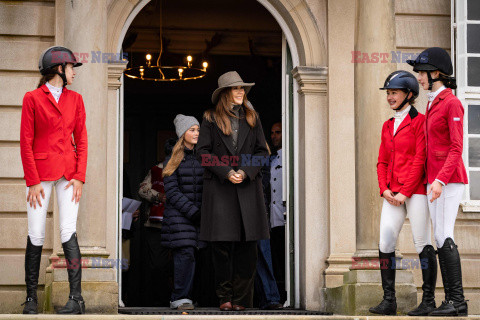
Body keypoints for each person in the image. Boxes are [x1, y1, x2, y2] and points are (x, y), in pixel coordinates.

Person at [20, 46, 87, 314]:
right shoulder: (32, 98)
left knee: (68, 232)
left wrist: (80, 176)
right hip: (40, 175)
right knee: (36, 233)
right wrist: (32, 180)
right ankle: (31, 299)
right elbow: (26, 142)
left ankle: (77, 298)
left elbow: (81, 140)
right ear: (59, 69)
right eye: (71, 67)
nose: (74, 72)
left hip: (69, 175)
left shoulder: (76, 99)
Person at [196, 71, 269, 311]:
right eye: (236, 88)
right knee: (222, 247)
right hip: (220, 188)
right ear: (226, 93)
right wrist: (226, 171)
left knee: (248, 248)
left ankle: (241, 300)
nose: (241, 92)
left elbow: (262, 152)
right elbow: (202, 152)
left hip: (248, 187)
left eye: (243, 89)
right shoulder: (209, 118)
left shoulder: (252, 117)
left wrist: (245, 171)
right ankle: (224, 297)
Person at [407, 47, 469, 316]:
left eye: (421, 72)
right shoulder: (433, 101)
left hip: (449, 180)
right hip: (435, 181)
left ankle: (458, 301)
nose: (418, 78)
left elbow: (456, 148)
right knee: (439, 235)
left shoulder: (451, 102)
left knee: (444, 235)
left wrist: (440, 181)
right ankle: (452, 300)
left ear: (435, 73)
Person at [369, 71, 435, 316]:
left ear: (409, 94)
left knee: (422, 243)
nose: (389, 97)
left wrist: (405, 192)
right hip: (392, 193)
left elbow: (420, 159)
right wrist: (384, 189)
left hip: (415, 191)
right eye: (388, 93)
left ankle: (428, 300)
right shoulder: (387, 125)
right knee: (385, 240)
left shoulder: (420, 121)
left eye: (393, 92)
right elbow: (381, 161)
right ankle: (389, 300)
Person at [161, 115, 204, 310]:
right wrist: (194, 212)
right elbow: (172, 191)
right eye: (192, 130)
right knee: (185, 255)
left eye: (197, 130)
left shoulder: (201, 156)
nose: (196, 133)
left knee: (194, 256)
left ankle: (190, 297)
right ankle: (179, 298)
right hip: (179, 218)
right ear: (182, 134)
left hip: (197, 218)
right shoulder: (172, 158)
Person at [268, 121, 287, 304]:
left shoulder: (291, 159)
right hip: (273, 221)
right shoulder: (271, 159)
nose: (274, 136)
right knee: (276, 261)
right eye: (272, 133)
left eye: (278, 132)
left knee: (285, 261)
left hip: (287, 220)